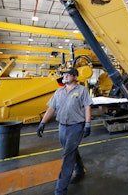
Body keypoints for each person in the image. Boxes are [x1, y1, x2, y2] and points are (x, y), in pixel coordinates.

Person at [37, 67, 93, 195]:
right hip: (62, 126)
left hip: (76, 126)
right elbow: (51, 108)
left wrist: (88, 124)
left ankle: (60, 189)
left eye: (69, 74)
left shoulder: (82, 90)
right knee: (70, 150)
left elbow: (87, 107)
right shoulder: (59, 92)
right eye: (65, 74)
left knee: (68, 156)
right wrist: (42, 123)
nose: (65, 76)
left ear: (75, 77)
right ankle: (79, 170)